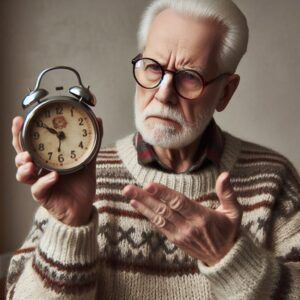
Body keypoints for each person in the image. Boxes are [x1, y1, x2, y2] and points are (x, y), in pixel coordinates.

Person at [6, 0, 300, 299]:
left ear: (225, 92)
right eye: (152, 67)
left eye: (189, 76)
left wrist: (230, 258)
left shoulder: (273, 179)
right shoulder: (77, 177)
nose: (163, 93)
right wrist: (69, 225)